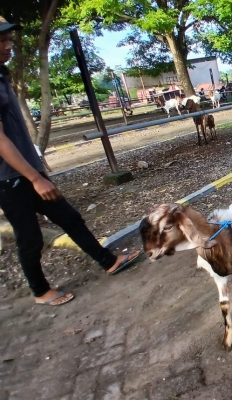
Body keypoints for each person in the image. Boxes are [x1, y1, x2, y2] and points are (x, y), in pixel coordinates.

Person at [0, 17, 140, 306]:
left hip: (28, 172)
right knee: (30, 237)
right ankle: (40, 291)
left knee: (70, 218)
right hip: (9, 179)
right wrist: (34, 178)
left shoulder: (1, 76)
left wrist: (36, 171)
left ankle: (108, 261)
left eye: (8, 39)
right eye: (1, 41)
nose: (8, 45)